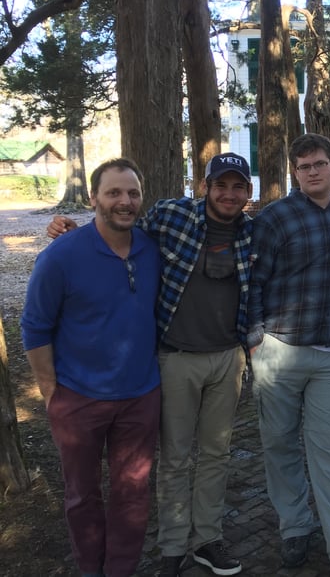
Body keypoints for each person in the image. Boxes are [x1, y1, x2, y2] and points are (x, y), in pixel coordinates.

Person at [48, 153, 254, 577]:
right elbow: (118, 231)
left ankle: (207, 539)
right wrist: (69, 231)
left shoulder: (255, 231)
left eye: (238, 187)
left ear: (248, 194)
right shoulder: (170, 216)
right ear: (204, 186)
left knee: (216, 453)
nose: (228, 194)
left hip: (227, 358)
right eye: (221, 185)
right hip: (175, 358)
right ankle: (173, 544)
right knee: (175, 457)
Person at [21, 158, 161, 577]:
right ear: (94, 197)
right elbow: (34, 326)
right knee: (82, 494)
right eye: (114, 192)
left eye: (132, 193)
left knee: (132, 493)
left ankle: (120, 568)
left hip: (140, 396)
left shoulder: (153, 249)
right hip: (77, 397)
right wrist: (50, 392)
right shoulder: (61, 256)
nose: (125, 201)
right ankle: (89, 568)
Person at [247, 133, 330, 577]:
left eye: (319, 163)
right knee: (279, 444)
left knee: (329, 452)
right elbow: (252, 281)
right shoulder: (275, 218)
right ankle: (295, 527)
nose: (312, 172)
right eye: (303, 167)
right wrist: (256, 340)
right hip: (280, 351)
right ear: (294, 173)